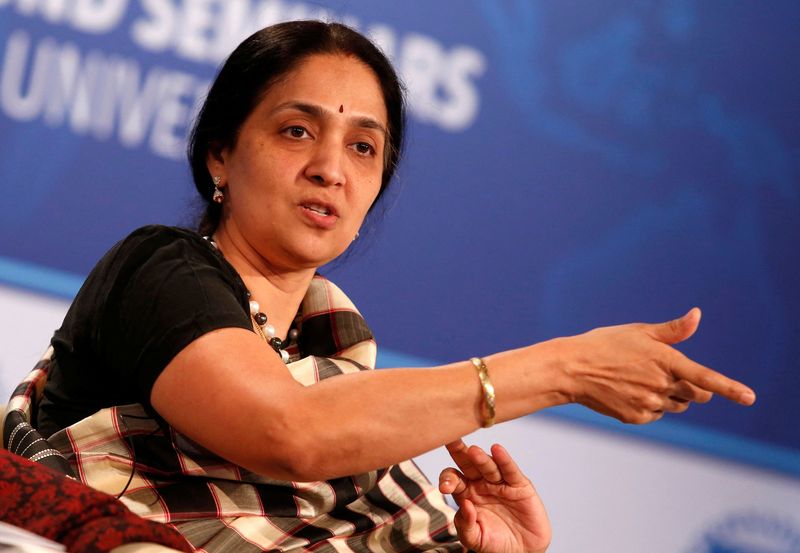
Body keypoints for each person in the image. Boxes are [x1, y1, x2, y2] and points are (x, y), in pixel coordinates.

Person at [30, 20, 755, 553]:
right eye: (295, 131)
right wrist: (562, 368)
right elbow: (290, 431)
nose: (331, 168)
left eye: (364, 147)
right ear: (220, 153)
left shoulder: (348, 382)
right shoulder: (158, 270)